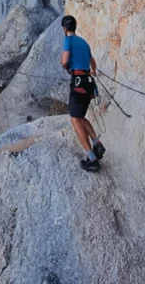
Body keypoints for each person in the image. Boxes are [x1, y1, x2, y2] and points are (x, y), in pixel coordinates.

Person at [61, 14, 105, 172]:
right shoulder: (84, 42)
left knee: (74, 119)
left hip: (78, 82)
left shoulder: (68, 40)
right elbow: (92, 61)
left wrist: (66, 67)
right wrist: (93, 71)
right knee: (80, 116)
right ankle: (97, 143)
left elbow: (65, 60)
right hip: (88, 82)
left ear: (64, 28)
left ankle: (92, 158)